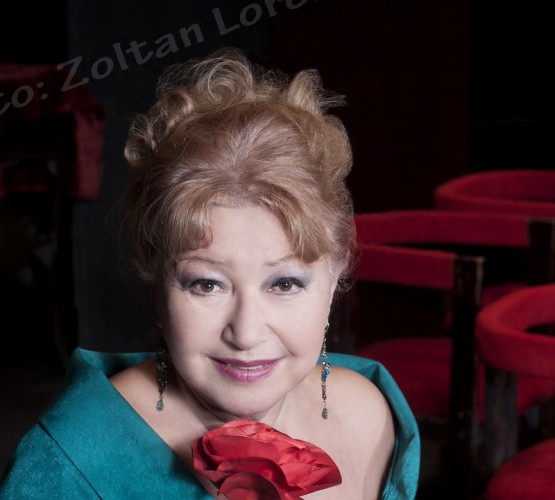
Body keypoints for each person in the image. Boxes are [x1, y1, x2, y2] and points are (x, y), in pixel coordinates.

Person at [0, 48, 420, 499]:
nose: (246, 333)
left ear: (335, 280)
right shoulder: (69, 462)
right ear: (156, 283)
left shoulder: (371, 420)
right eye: (207, 284)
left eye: (285, 283)